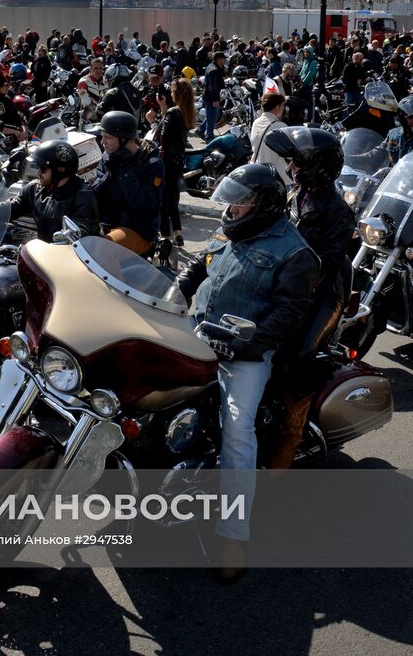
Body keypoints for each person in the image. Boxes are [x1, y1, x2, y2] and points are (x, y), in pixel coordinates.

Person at [175, 164, 318, 578]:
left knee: (237, 431)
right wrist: (165, 293)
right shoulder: (228, 229)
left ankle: (233, 535)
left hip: (244, 351)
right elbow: (197, 268)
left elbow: (290, 312)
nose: (231, 208)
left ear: (265, 206)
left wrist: (247, 342)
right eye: (232, 199)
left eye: (241, 201)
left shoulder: (294, 252)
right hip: (195, 330)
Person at [263, 127, 355, 468]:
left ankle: (289, 439)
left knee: (300, 356)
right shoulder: (296, 194)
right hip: (289, 281)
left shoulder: (337, 211)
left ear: (317, 167)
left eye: (298, 161)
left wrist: (286, 287)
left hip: (324, 293)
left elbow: (325, 266)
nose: (292, 167)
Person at [93, 110, 164, 254]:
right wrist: (110, 173)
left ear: (125, 139)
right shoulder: (108, 156)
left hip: (138, 230)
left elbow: (143, 206)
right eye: (102, 137)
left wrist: (125, 171)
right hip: (106, 224)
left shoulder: (152, 164)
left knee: (104, 250)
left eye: (108, 137)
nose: (103, 142)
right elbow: (96, 193)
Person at [10, 141, 99, 242]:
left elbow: (83, 233)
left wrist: (66, 238)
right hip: (42, 252)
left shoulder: (83, 195)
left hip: (67, 254)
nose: (39, 173)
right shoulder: (35, 189)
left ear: (60, 170)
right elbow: (11, 208)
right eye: (38, 167)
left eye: (43, 169)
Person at [153, 77, 195, 246]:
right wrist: (163, 108)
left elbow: (163, 137)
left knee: (163, 197)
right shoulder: (186, 112)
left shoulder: (173, 112)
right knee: (171, 197)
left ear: (177, 93)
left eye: (172, 91)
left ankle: (165, 236)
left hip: (166, 161)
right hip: (178, 160)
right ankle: (177, 232)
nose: (170, 93)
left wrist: (153, 123)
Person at [250, 93, 290, 184]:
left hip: (256, 169)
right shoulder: (281, 126)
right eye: (282, 105)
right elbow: (288, 153)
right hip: (276, 175)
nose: (284, 108)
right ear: (277, 107)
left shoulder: (256, 122)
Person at [200, 51, 227, 141]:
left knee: (214, 115)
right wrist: (215, 100)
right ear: (218, 59)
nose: (224, 60)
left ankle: (200, 130)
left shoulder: (213, 66)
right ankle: (209, 137)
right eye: (223, 59)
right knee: (212, 117)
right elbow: (213, 87)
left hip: (210, 96)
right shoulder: (214, 70)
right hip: (211, 97)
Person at [76, 57, 107, 122]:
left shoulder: (106, 82)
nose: (98, 70)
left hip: (104, 115)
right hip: (88, 117)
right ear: (90, 69)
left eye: (100, 68)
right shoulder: (83, 82)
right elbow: (85, 101)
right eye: (95, 68)